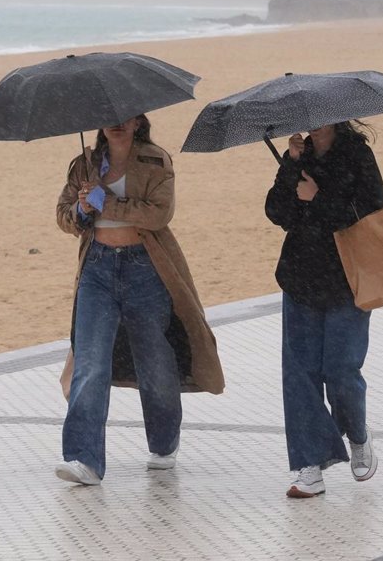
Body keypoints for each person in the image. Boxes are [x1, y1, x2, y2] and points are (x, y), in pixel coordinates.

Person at [53, 114, 224, 486]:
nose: (116, 123)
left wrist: (107, 205)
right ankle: (84, 458)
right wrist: (82, 211)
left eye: (124, 116)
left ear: (138, 121)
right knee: (90, 362)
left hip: (145, 268)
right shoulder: (84, 164)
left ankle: (163, 443)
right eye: (107, 117)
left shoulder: (155, 160)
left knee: (156, 362)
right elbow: (64, 216)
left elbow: (159, 213)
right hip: (96, 269)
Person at [264, 120, 383, 498]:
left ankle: (358, 434)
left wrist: (317, 196)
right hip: (301, 278)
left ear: (336, 118)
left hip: (347, 279)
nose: (313, 126)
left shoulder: (357, 155)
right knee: (299, 375)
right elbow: (276, 212)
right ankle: (310, 465)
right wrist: (290, 166)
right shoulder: (298, 156)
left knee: (341, 370)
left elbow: (373, 213)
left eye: (320, 119)